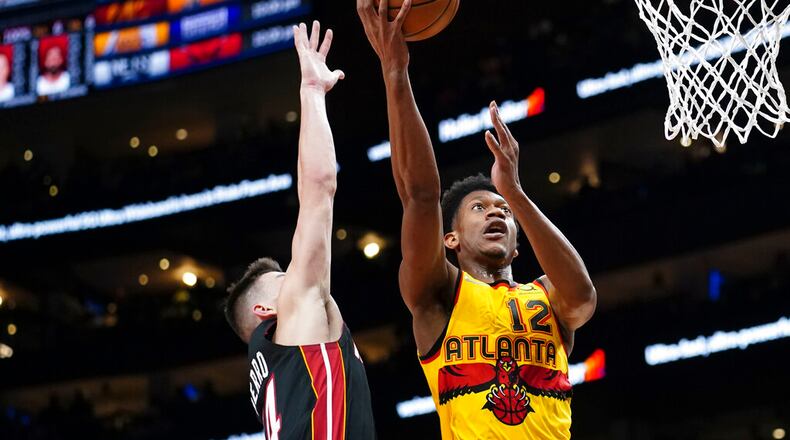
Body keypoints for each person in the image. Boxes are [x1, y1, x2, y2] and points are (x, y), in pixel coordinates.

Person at [357, 1, 597, 438]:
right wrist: (396, 76)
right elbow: (419, 194)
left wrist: (516, 193)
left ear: (518, 245)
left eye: (502, 211)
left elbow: (582, 296)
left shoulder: (546, 296)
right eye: (480, 208)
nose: (497, 214)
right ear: (450, 240)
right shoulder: (439, 295)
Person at [224, 21, 375, 440]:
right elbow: (319, 189)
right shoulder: (298, 321)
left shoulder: (275, 373)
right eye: (285, 279)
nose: (301, 274)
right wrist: (311, 94)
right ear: (266, 311)